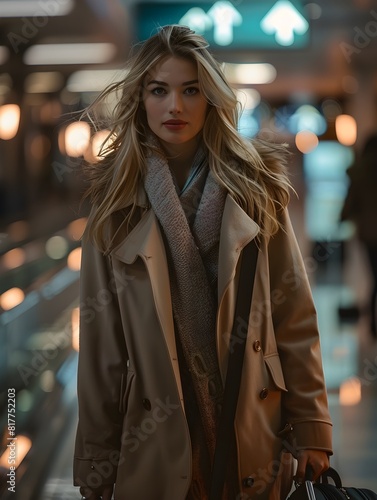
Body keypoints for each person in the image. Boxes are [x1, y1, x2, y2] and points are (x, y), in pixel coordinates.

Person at [73, 25, 332, 500]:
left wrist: (313, 425)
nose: (176, 106)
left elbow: (293, 312)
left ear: (211, 98)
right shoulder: (114, 207)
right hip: (156, 435)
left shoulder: (255, 192)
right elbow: (101, 349)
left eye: (191, 90)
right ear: (140, 100)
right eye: (159, 90)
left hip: (251, 425)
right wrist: (96, 459)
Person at [341, 134, 377, 340]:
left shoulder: (360, 171)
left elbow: (350, 203)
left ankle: (373, 324)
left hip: (369, 235)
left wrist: (342, 216)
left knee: (374, 277)